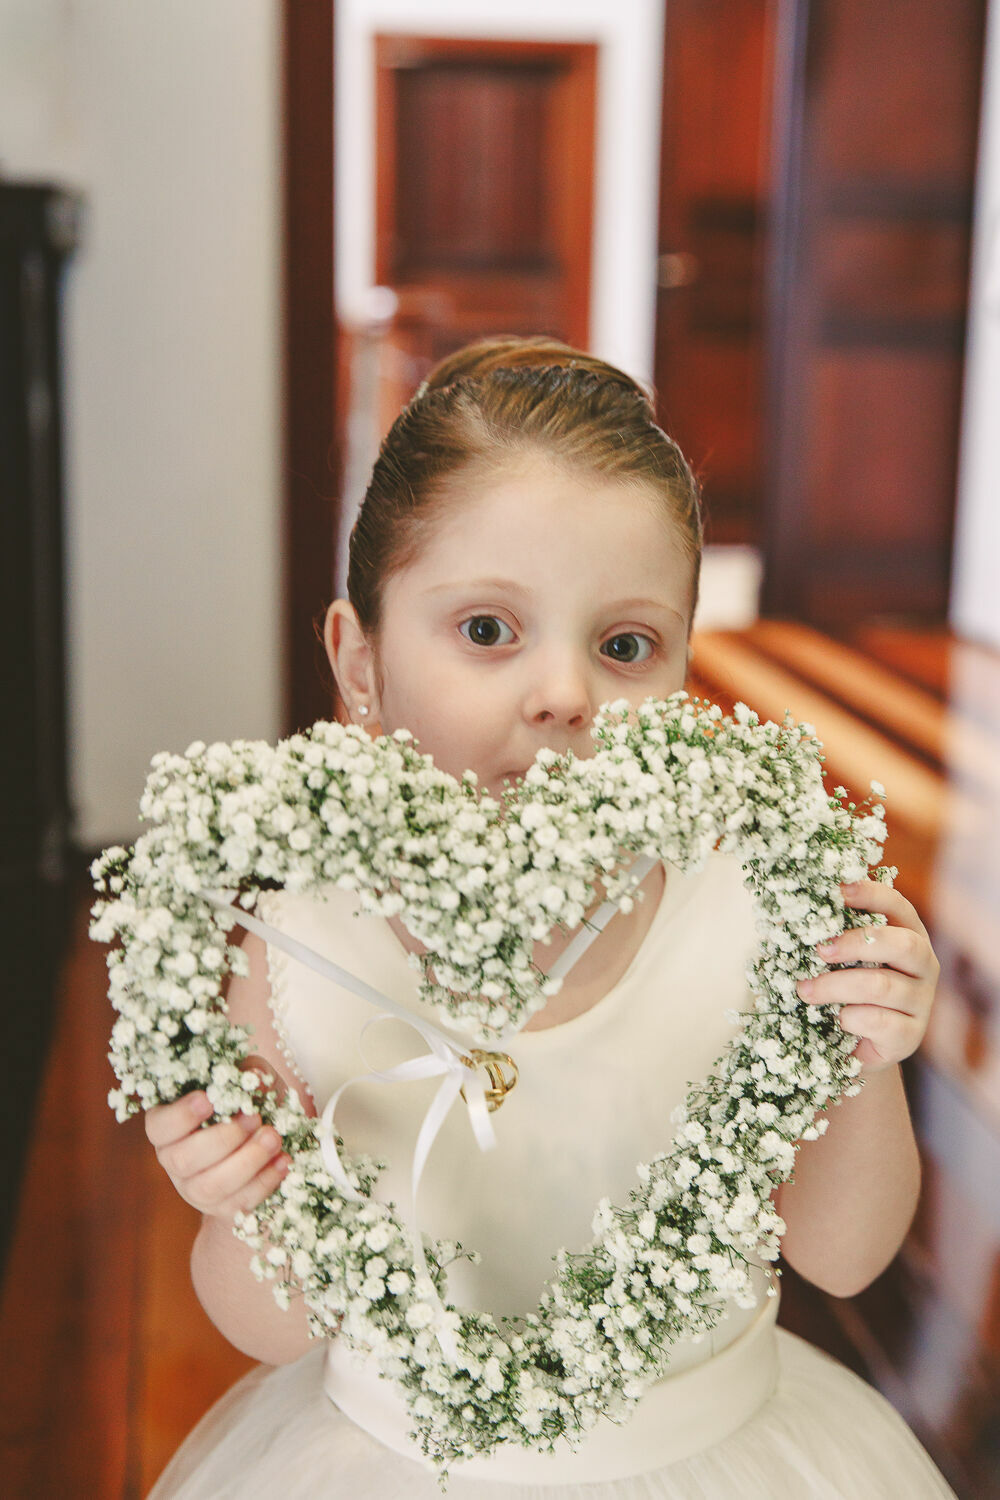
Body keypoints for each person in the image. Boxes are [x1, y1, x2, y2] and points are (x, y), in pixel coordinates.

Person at [142, 337, 953, 1497]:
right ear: (358, 663)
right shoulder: (302, 939)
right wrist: (245, 1195)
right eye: (486, 631)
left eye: (624, 646)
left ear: (683, 669)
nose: (565, 694)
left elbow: (845, 1252)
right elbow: (267, 1329)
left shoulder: (753, 910)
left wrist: (867, 1053)